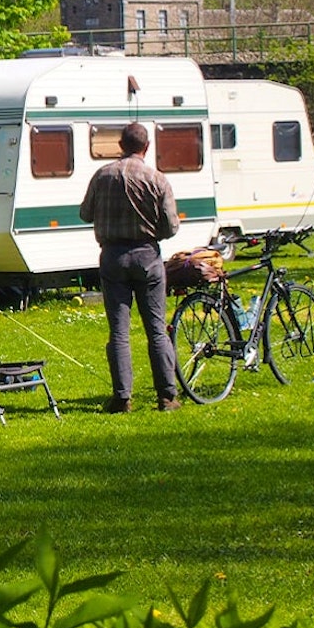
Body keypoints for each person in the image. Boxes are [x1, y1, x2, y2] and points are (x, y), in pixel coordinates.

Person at [79, 122, 182, 413]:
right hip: (147, 255)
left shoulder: (102, 175)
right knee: (156, 329)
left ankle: (122, 397)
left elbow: (85, 213)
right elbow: (171, 226)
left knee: (119, 332)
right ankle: (166, 396)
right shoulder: (157, 178)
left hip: (112, 256)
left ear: (120, 146)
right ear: (146, 147)